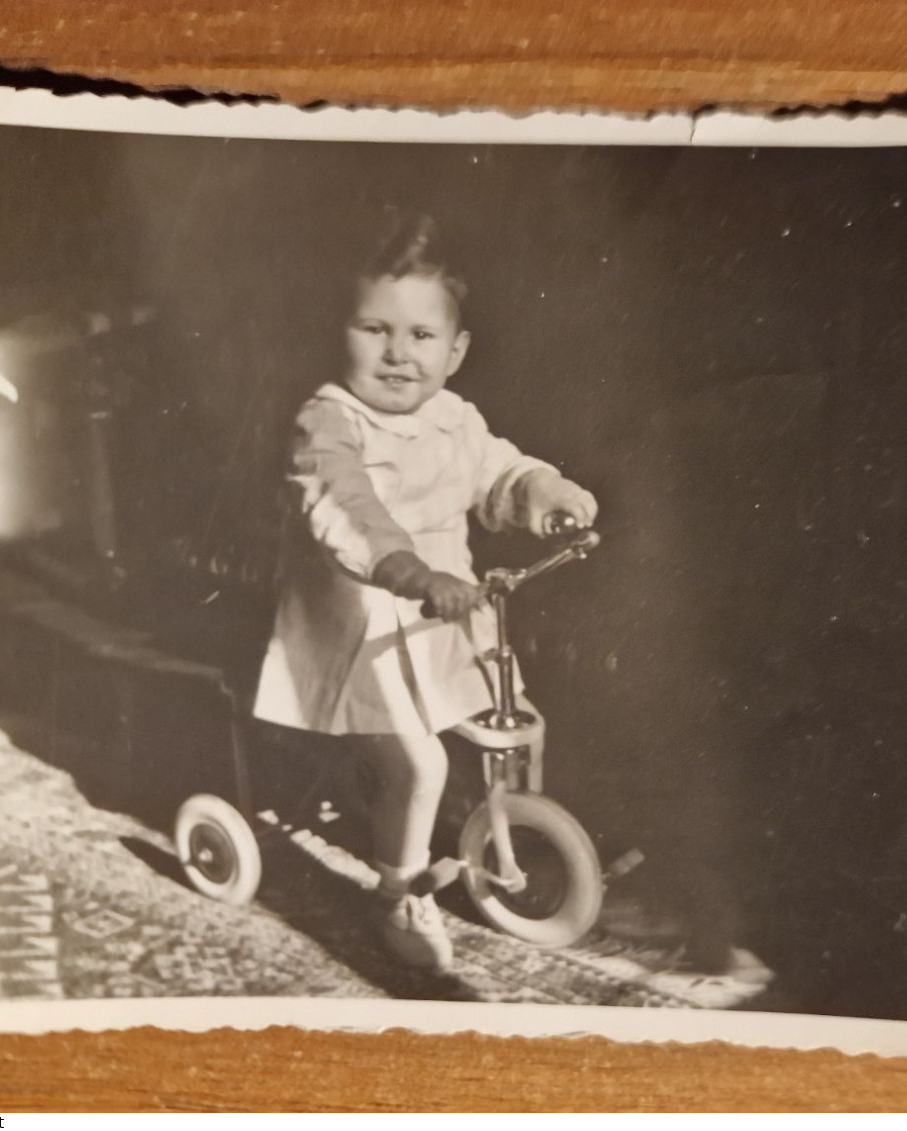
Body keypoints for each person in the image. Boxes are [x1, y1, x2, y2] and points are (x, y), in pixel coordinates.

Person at [253, 214, 597, 970]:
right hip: (360, 622)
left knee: (498, 717)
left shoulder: (453, 417)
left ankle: (482, 831)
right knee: (420, 761)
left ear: (456, 350)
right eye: (375, 329)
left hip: (441, 614)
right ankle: (398, 895)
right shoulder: (330, 421)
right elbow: (349, 511)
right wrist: (415, 574)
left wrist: (542, 488)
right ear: (341, 333)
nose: (398, 354)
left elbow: (495, 469)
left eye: (421, 336)